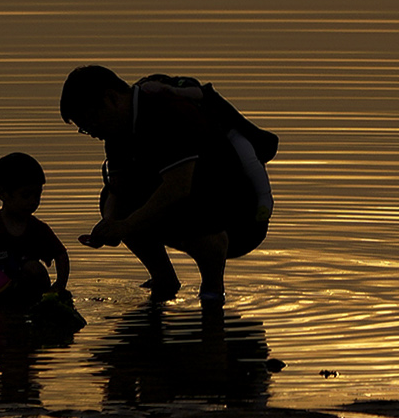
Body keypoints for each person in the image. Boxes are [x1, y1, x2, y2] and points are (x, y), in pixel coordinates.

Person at [58, 65, 278, 304]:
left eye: (89, 121)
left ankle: (213, 289)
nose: (90, 131)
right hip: (195, 203)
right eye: (83, 127)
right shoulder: (116, 130)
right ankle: (164, 281)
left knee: (187, 205)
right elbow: (119, 189)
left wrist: (126, 226)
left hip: (239, 217)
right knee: (113, 200)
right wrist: (110, 222)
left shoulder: (165, 112)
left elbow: (178, 187)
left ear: (110, 98)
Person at [0, 151, 81, 323]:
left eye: (37, 195)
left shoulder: (38, 229)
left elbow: (61, 255)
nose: (33, 201)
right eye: (26, 196)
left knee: (33, 268)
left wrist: (59, 285)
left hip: (31, 292)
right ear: (4, 194)